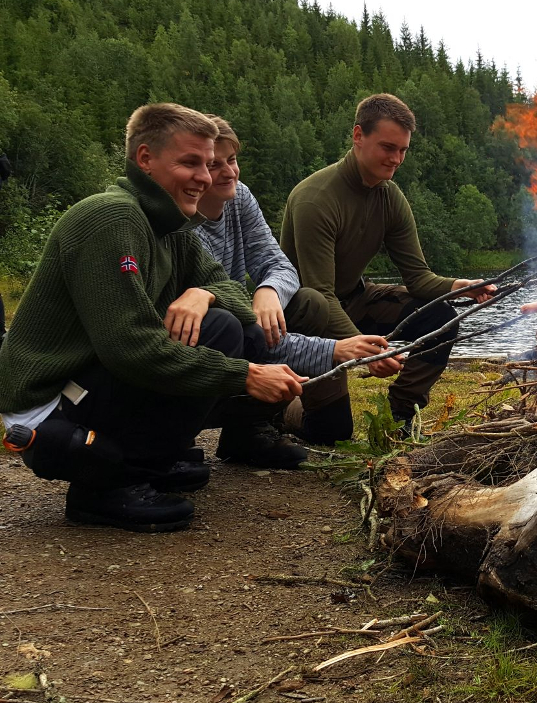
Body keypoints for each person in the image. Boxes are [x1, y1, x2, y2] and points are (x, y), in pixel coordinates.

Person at [0, 103, 306, 532]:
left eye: (209, 163)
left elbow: (237, 295)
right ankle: (106, 489)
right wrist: (244, 376)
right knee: (218, 334)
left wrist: (204, 292)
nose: (204, 176)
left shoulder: (170, 227)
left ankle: (155, 460)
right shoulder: (112, 217)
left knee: (229, 327)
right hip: (50, 399)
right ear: (145, 159)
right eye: (190, 162)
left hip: (91, 378)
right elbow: (130, 348)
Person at [280, 93, 494, 444]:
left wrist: (460, 286)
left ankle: (400, 415)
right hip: (305, 319)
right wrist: (367, 352)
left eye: (403, 150)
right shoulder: (315, 199)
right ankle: (281, 407)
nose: (396, 159)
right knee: (330, 432)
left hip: (354, 299)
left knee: (440, 316)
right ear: (358, 136)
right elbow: (320, 293)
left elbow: (419, 279)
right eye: (388, 147)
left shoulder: (389, 197)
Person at [192, 115, 403, 462]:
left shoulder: (239, 198)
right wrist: (338, 349)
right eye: (214, 165)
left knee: (308, 303)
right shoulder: (178, 222)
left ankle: (254, 428)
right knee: (227, 325)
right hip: (210, 335)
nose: (229, 173)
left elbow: (279, 264)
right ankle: (193, 433)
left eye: (232, 160)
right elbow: (219, 305)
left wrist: (269, 290)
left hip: (241, 322)